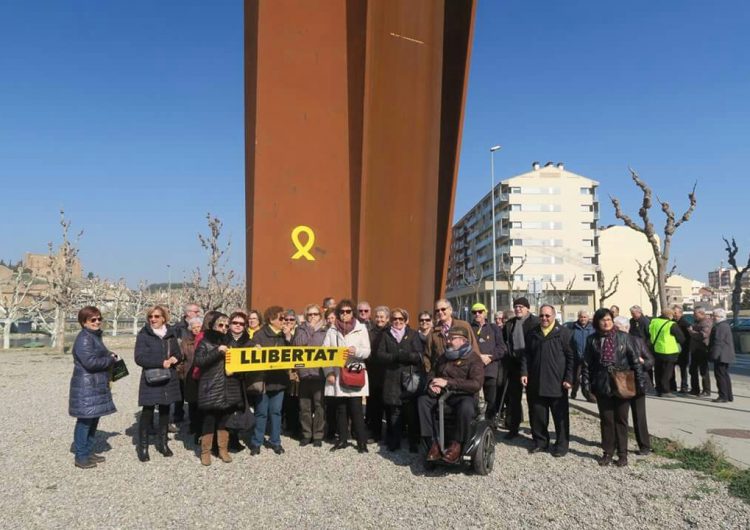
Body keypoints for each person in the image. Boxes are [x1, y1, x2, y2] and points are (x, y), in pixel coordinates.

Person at [582, 308, 647, 467]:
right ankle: (607, 452)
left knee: (621, 420)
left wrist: (640, 383)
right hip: (602, 384)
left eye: (609, 319)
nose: (606, 322)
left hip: (622, 383)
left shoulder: (623, 338)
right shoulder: (592, 339)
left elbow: (635, 362)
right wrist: (586, 385)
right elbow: (586, 364)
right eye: (603, 320)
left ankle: (623, 454)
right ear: (597, 322)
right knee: (606, 420)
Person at [418, 326, 484, 463]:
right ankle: (433, 442)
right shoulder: (444, 356)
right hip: (442, 395)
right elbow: (432, 372)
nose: (448, 341)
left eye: (452, 338)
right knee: (423, 401)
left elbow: (475, 384)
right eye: (448, 338)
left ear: (463, 341)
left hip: (463, 395)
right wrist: (432, 384)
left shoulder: (473, 358)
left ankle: (457, 444)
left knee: (466, 407)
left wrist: (447, 382)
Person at [521, 304, 574, 457]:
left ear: (554, 315)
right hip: (536, 382)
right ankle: (540, 442)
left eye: (547, 316)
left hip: (557, 383)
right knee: (538, 415)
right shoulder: (533, 333)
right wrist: (524, 372)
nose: (544, 318)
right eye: (542, 315)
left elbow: (571, 358)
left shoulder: (564, 333)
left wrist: (569, 378)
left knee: (560, 417)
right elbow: (526, 355)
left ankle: (561, 445)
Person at [69, 306, 118, 469]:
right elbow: (90, 363)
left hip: (94, 385)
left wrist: (110, 354)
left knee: (93, 419)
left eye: (99, 319)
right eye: (93, 320)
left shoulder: (93, 336)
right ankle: (81, 456)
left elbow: (97, 355)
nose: (97, 322)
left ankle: (88, 451)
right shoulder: (84, 338)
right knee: (85, 421)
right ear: (84, 322)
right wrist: (110, 360)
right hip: (87, 386)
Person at [134, 305, 183, 462]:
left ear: (164, 318)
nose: (153, 319)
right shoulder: (144, 335)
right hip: (151, 377)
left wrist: (176, 358)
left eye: (156, 316)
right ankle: (143, 447)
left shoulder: (170, 334)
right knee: (147, 411)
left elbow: (178, 353)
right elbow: (139, 358)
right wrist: (161, 362)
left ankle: (163, 443)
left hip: (168, 377)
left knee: (165, 411)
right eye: (151, 316)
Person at [193, 312, 244, 465]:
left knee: (224, 420)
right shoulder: (205, 341)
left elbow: (240, 360)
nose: (223, 328)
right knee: (209, 420)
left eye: (226, 326)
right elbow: (199, 361)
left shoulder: (231, 342)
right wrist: (217, 351)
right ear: (214, 326)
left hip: (228, 387)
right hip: (211, 387)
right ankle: (206, 452)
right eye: (220, 325)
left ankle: (223, 449)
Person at [323, 299, 372, 453]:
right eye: (342, 311)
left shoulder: (361, 328)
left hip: (354, 372)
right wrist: (328, 372)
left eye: (348, 311)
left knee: (356, 409)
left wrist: (356, 351)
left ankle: (361, 442)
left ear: (352, 313)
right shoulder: (332, 330)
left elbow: (367, 351)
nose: (345, 314)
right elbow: (325, 353)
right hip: (338, 373)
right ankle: (342, 439)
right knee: (341, 409)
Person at [377, 308, 425, 452]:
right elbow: (380, 355)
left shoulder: (413, 334)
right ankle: (395, 441)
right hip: (391, 377)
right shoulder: (386, 335)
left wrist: (405, 356)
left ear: (406, 321)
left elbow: (419, 355)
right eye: (395, 319)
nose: (397, 321)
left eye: (401, 319)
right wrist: (394, 357)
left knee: (410, 411)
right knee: (394, 411)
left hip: (408, 377)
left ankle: (413, 442)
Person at [247, 306, 290, 455]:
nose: (284, 321)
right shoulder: (259, 335)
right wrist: (254, 348)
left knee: (276, 412)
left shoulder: (285, 335)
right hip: (264, 380)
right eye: (281, 318)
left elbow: (295, 352)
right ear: (272, 319)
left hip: (279, 380)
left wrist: (289, 337)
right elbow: (249, 348)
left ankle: (275, 441)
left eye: (285, 318)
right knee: (261, 413)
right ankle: (257, 442)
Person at [501, 297, 540, 439]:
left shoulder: (535, 323)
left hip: (531, 366)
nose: (518, 309)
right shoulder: (510, 324)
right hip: (514, 365)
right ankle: (513, 428)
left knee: (533, 400)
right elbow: (505, 341)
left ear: (527, 308)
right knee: (513, 400)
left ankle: (536, 433)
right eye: (516, 306)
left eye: (521, 307)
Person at [614, 316, 653, 456]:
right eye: (616, 328)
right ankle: (618, 445)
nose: (618, 331)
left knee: (639, 416)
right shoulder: (612, 342)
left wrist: (642, 361)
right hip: (621, 382)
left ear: (627, 328)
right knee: (620, 416)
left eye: (620, 328)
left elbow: (650, 361)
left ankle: (644, 445)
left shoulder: (637, 341)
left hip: (637, 381)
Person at [293, 304, 328, 447]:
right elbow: (297, 344)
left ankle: (318, 435)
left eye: (315, 314)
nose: (312, 317)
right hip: (304, 374)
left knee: (320, 406)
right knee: (304, 406)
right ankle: (306, 434)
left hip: (319, 374)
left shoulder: (326, 331)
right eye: (310, 315)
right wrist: (310, 330)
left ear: (320, 316)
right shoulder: (300, 329)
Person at [470, 303, 505, 424]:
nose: (477, 314)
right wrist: (479, 357)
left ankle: (490, 425)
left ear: (485, 312)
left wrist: (490, 358)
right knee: (472, 399)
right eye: (474, 312)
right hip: (474, 370)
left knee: (491, 400)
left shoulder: (494, 328)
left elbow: (502, 348)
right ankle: (473, 424)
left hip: (491, 370)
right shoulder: (469, 328)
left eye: (479, 311)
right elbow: (466, 348)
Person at [225, 311, 254, 452]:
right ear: (230, 324)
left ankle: (235, 437)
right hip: (225, 381)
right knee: (226, 410)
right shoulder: (222, 340)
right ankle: (226, 440)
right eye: (235, 323)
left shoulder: (249, 342)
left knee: (239, 409)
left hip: (242, 381)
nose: (238, 326)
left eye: (241, 323)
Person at [177, 316, 203, 441]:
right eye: (194, 327)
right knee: (192, 403)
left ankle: (202, 428)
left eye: (199, 327)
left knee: (202, 403)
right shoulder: (185, 342)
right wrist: (181, 373)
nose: (197, 329)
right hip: (189, 374)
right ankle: (193, 425)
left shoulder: (204, 339)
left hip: (203, 375)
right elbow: (181, 359)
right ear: (190, 329)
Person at [366, 305, 390, 443]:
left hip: (388, 372)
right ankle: (375, 433)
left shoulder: (391, 332)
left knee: (388, 404)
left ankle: (389, 434)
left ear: (387, 319)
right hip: (373, 372)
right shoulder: (370, 332)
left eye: (382, 317)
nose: (379, 319)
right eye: (377, 317)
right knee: (374, 404)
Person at [648, 308, 684, 397]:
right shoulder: (671, 324)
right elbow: (681, 338)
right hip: (669, 351)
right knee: (667, 372)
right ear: (670, 315)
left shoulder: (654, 322)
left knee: (658, 370)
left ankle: (659, 388)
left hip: (657, 349)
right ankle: (665, 390)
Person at [565, 310, 595, 401]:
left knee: (587, 377)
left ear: (588, 318)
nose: (583, 319)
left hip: (589, 357)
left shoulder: (593, 328)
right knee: (577, 377)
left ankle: (588, 395)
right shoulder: (573, 327)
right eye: (581, 317)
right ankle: (574, 392)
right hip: (577, 357)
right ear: (578, 317)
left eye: (585, 317)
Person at [709, 308, 735, 403]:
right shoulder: (724, 325)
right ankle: (728, 395)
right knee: (724, 375)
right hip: (724, 354)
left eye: (714, 316)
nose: (712, 318)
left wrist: (714, 355)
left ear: (719, 317)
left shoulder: (720, 326)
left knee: (720, 375)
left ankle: (723, 395)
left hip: (721, 355)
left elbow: (718, 342)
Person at [689, 307, 713, 397]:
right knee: (692, 370)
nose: (694, 316)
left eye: (695, 314)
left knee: (703, 370)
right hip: (694, 349)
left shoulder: (706, 322)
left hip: (702, 349)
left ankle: (706, 390)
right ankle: (695, 389)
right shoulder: (696, 322)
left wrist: (691, 331)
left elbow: (703, 335)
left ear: (701, 313)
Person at [672, 306, 692, 393]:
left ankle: (684, 386)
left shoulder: (685, 323)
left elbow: (689, 336)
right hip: (673, 348)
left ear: (680, 313)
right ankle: (673, 386)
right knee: (672, 367)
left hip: (683, 349)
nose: (674, 314)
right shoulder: (672, 322)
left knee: (683, 368)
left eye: (675, 313)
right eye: (673, 313)